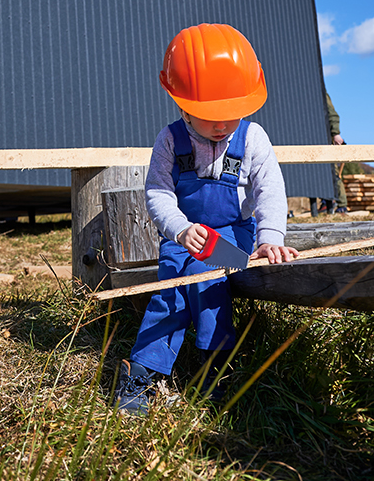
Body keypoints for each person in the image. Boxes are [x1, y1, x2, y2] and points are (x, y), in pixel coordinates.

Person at [113, 24, 300, 415]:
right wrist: (180, 230)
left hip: (233, 236)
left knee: (208, 283)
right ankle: (143, 370)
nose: (222, 124)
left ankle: (215, 370)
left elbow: (269, 189)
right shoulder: (169, 142)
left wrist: (270, 236)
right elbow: (159, 193)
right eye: (211, 115)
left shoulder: (252, 138)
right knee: (171, 290)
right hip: (183, 237)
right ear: (181, 103)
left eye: (232, 114)